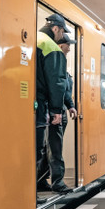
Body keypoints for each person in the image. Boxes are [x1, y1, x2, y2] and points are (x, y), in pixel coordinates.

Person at [36, 13, 71, 193]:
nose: (62, 36)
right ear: (55, 28)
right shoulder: (51, 47)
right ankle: (57, 182)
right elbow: (57, 82)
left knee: (38, 147)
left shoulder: (33, 39)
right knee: (49, 147)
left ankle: (38, 183)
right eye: (62, 31)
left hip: (30, 103)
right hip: (43, 105)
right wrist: (57, 111)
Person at [56, 34, 78, 133]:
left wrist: (70, 106)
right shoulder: (55, 62)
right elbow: (58, 87)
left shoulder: (61, 62)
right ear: (61, 46)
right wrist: (55, 110)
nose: (69, 49)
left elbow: (65, 88)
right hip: (56, 110)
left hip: (62, 108)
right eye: (68, 45)